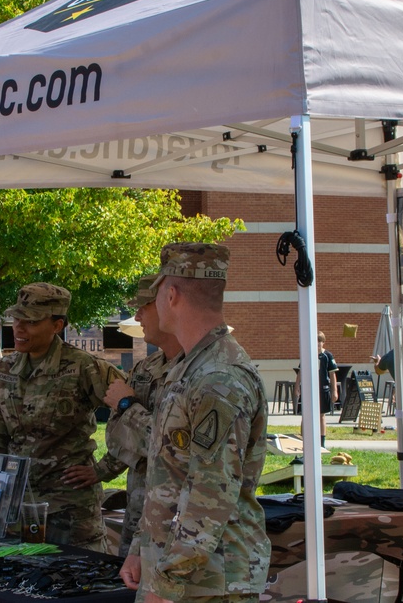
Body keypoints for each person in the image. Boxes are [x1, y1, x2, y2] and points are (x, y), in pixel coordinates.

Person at [120, 242, 269, 603]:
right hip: (182, 574)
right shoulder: (191, 367)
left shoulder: (218, 378)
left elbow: (209, 493)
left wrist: (166, 584)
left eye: (154, 295)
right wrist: (142, 545)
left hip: (208, 584)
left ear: (171, 295)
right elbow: (169, 475)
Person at [0, 282, 125, 552]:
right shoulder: (5, 368)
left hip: (70, 510)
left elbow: (134, 417)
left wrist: (104, 469)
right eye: (16, 319)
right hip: (17, 503)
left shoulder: (85, 367)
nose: (19, 328)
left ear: (57, 325)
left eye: (31, 321)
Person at [61, 274, 182, 557]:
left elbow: (174, 447)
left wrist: (128, 404)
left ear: (168, 305)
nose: (137, 315)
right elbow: (122, 433)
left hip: (178, 519)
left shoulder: (200, 372)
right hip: (139, 509)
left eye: (144, 306)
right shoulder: (146, 367)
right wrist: (100, 471)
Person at [294, 330, 338, 448]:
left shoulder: (327, 356)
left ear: (323, 343)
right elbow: (300, 372)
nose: (317, 345)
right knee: (306, 415)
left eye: (319, 342)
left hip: (323, 389)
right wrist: (297, 386)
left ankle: (321, 442)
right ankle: (303, 441)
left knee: (321, 415)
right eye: (315, 342)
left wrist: (334, 390)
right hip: (309, 389)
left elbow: (332, 374)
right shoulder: (307, 354)